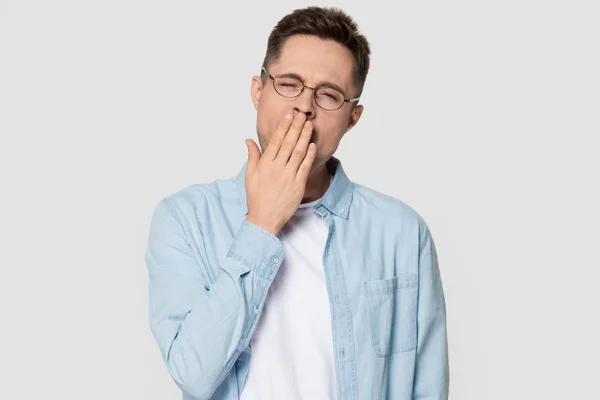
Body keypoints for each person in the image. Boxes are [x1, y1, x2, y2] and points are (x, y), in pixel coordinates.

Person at [145, 6, 449, 400]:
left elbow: (427, 387)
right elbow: (193, 374)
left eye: (328, 95)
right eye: (289, 84)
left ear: (352, 118)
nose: (304, 106)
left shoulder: (402, 232)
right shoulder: (184, 218)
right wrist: (262, 224)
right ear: (258, 91)